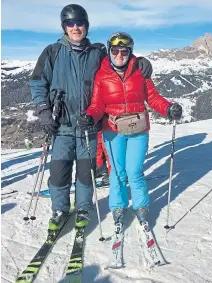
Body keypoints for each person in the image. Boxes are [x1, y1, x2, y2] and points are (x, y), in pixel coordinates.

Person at [31, 5, 153, 231]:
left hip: (88, 125)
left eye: (79, 23)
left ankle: (84, 207)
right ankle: (60, 209)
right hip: (61, 124)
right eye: (70, 23)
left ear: (86, 26)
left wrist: (140, 61)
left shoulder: (97, 53)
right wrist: (43, 110)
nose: (75, 27)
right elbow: (38, 82)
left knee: (86, 172)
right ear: (64, 27)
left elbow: (120, 59)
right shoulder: (52, 52)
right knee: (59, 172)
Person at [79, 32, 182, 226]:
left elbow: (153, 98)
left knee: (134, 171)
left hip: (138, 130)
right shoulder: (101, 76)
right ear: (109, 52)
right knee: (117, 172)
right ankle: (118, 206)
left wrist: (168, 108)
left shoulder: (140, 72)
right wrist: (89, 116)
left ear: (130, 52)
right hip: (112, 130)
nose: (119, 55)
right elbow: (97, 105)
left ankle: (141, 206)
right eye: (115, 51)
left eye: (124, 51)